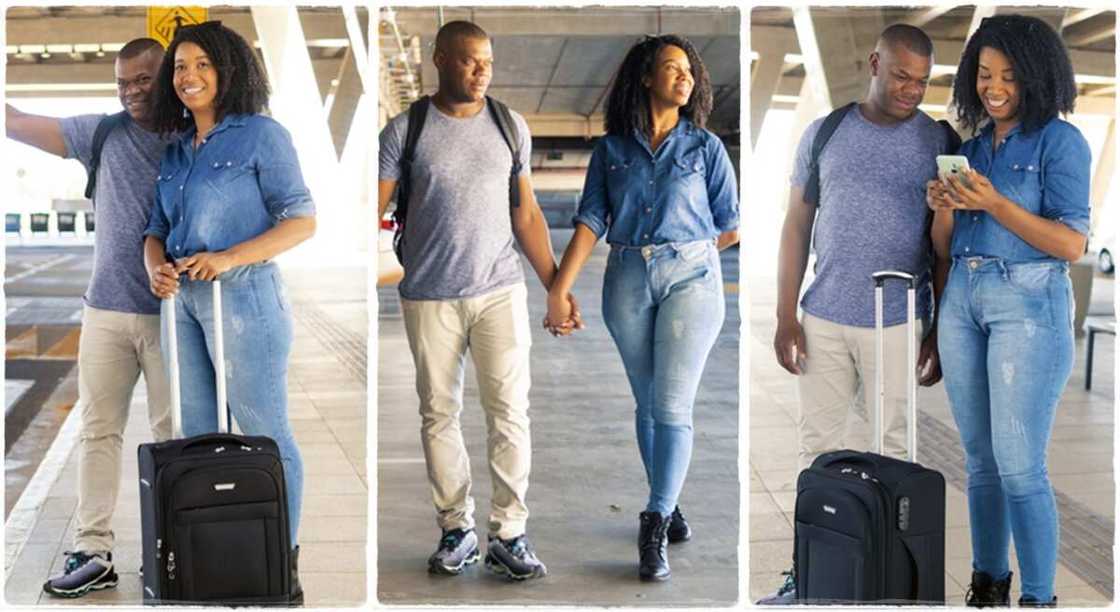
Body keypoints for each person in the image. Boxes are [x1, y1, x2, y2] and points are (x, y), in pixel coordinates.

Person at [758, 24, 952, 604]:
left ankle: (889, 578)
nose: (911, 90)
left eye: (921, 81)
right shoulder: (826, 132)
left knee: (895, 453)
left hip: (898, 318)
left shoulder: (940, 140)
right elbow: (796, 224)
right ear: (874, 63)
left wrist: (937, 330)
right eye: (900, 76)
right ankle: (806, 572)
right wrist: (784, 313)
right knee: (815, 451)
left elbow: (947, 248)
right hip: (823, 316)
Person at [377, 20, 576, 581]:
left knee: (510, 412)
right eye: (469, 60)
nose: (481, 69)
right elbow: (371, 209)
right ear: (440, 60)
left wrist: (556, 287)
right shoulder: (406, 130)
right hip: (428, 295)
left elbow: (527, 214)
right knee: (438, 414)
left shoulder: (509, 125)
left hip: (499, 290)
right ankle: (455, 529)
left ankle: (509, 532)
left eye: (487, 60)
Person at [545, 34, 739, 582]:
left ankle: (653, 520)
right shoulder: (611, 151)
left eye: (690, 70)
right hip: (627, 277)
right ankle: (668, 497)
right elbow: (591, 219)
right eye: (672, 68)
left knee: (673, 405)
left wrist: (689, 253)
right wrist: (560, 287)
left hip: (692, 278)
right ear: (646, 78)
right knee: (647, 403)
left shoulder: (705, 148)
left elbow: (730, 223)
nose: (686, 77)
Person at [141, 22, 315, 604]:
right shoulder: (173, 149)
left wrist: (229, 258)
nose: (188, 77)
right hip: (181, 303)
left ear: (228, 71)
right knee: (196, 435)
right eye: (180, 67)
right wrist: (155, 267)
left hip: (245, 297)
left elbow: (301, 219)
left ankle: (279, 563)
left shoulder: (262, 136)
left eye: (202, 65)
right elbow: (156, 231)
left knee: (265, 432)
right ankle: (213, 554)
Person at [927, 15, 1089, 608]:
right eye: (985, 75)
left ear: (1037, 78)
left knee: (1020, 466)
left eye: (1009, 76)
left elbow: (1071, 245)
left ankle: (1040, 598)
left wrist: (993, 202)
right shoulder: (970, 149)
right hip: (963, 301)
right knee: (981, 465)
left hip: (1028, 301)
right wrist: (944, 206)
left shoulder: (1060, 141)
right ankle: (987, 584)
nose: (994, 87)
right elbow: (945, 247)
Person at [6, 38, 173, 599]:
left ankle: (176, 543)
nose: (130, 92)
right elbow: (19, 122)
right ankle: (93, 549)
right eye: (122, 82)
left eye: (143, 80)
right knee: (98, 432)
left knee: (175, 436)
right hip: (104, 311)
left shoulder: (195, 133)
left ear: (167, 74)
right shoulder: (101, 132)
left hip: (176, 317)